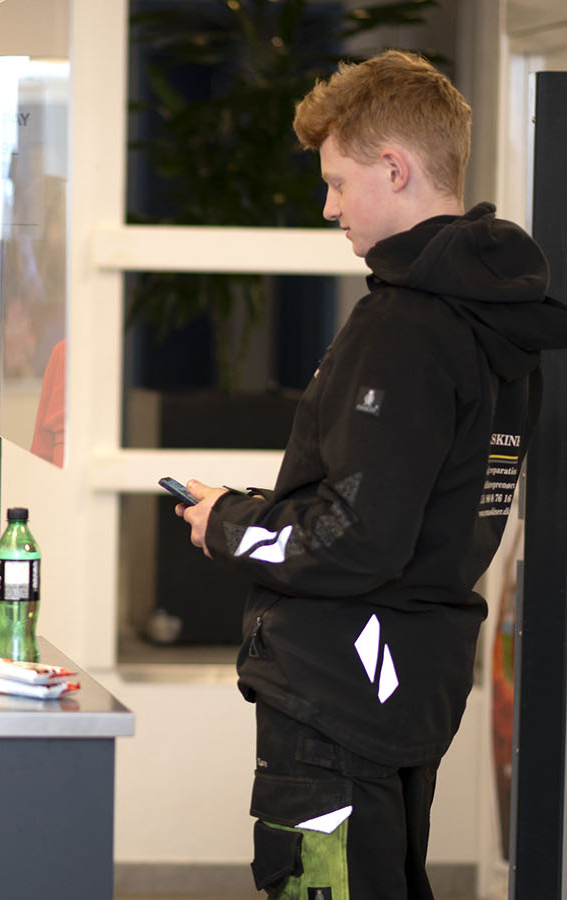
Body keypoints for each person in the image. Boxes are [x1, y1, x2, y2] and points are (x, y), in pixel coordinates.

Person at [173, 51, 567, 898]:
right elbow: (409, 507)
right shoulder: (496, 323)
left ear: (395, 168)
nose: (330, 208)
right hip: (410, 679)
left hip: (337, 693)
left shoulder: (403, 325)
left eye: (338, 183)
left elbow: (356, 539)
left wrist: (229, 525)